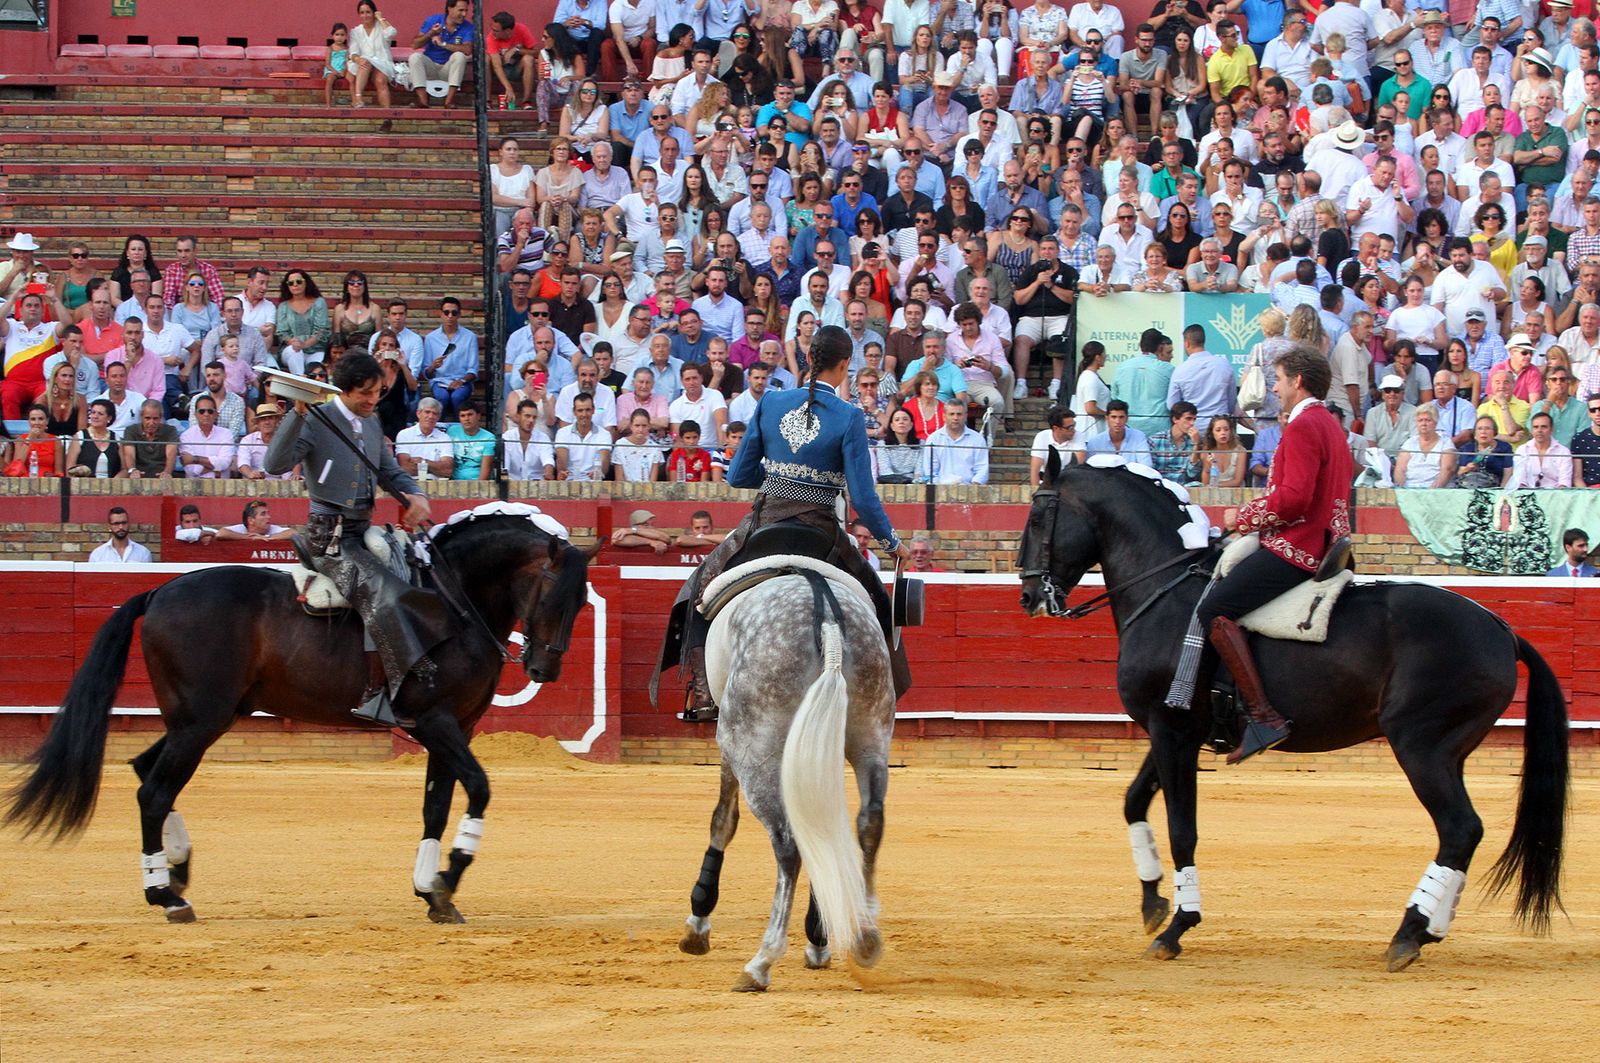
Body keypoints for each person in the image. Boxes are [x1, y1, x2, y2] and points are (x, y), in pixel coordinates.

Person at [654, 324, 913, 723]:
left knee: (697, 591)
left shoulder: (772, 402)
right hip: (822, 531)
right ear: (845, 365)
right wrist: (892, 543)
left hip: (765, 524)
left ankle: (703, 693)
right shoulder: (848, 417)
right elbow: (862, 498)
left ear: (809, 359)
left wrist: (780, 479)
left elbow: (738, 475)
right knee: (878, 602)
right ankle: (881, 695)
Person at [1168, 345, 1354, 765]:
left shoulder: (1304, 425)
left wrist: (1244, 516)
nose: (1274, 385)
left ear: (1298, 381)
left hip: (1299, 545)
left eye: (1279, 378)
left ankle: (1263, 714)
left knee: (1215, 606)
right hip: (1326, 540)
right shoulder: (1328, 423)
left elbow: (1293, 499)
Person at [266, 353, 442, 728]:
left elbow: (389, 470)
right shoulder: (315, 419)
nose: (372, 400)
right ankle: (376, 691)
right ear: (343, 391)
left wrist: (416, 495)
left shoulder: (373, 420)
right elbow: (274, 464)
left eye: (376, 392)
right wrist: (297, 412)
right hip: (327, 536)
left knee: (409, 573)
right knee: (381, 591)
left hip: (361, 531)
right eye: (364, 394)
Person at [216, 500, 295, 541]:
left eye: (268, 513)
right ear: (251, 520)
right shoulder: (241, 528)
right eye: (263, 514)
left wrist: (267, 537)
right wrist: (250, 538)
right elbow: (220, 534)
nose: (269, 517)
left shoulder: (271, 528)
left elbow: (293, 533)